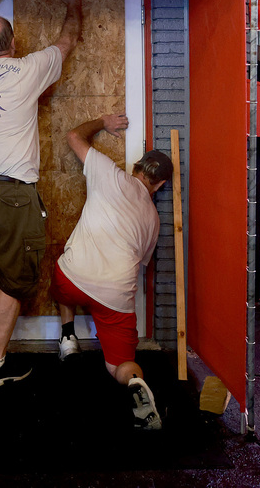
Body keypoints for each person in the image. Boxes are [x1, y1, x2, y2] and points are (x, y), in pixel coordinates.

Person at [0, 0, 83, 387]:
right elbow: (66, 41)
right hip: (13, 193)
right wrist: (73, 3)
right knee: (12, 278)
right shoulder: (28, 69)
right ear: (13, 43)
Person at [51, 113, 172, 429]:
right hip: (115, 296)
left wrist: (103, 122)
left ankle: (68, 338)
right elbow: (142, 265)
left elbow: (74, 135)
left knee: (63, 266)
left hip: (73, 279)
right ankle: (134, 384)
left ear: (136, 168)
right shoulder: (153, 222)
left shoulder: (109, 173)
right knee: (121, 364)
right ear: (159, 184)